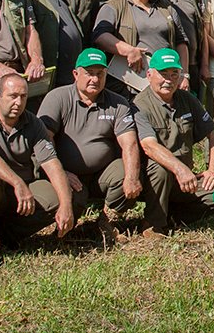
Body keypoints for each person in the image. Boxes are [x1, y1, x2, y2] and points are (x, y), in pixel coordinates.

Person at [0, 72, 80, 257]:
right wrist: (17, 182)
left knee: (61, 195)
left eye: (23, 96)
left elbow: (51, 163)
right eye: (13, 96)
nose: (18, 102)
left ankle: (8, 233)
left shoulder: (34, 123)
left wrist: (66, 205)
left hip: (21, 191)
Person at [38, 49, 144, 245]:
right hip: (67, 173)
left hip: (101, 174)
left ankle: (107, 220)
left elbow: (129, 143)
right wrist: (61, 172)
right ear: (75, 74)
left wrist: (131, 178)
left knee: (129, 171)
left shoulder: (118, 103)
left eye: (100, 73)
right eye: (89, 73)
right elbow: (44, 140)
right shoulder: (57, 97)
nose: (95, 79)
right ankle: (63, 231)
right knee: (72, 199)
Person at [133, 48, 214, 236]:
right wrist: (180, 170)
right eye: (163, 74)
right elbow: (149, 146)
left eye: (174, 74)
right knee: (160, 170)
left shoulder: (187, 99)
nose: (169, 80)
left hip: (185, 180)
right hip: (154, 180)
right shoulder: (140, 105)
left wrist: (213, 171)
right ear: (149, 75)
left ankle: (174, 216)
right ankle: (153, 224)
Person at [94, 0, 192, 93]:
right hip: (127, 86)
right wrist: (129, 50)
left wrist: (184, 75)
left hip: (165, 84)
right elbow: (100, 36)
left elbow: (181, 42)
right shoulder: (113, 6)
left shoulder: (167, 7)